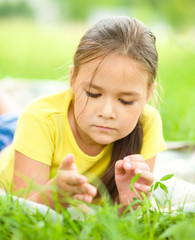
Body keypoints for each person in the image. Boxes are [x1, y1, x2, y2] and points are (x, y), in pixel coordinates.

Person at [0, 16, 166, 211]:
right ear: (73, 79)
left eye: (125, 101)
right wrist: (53, 195)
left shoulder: (148, 123)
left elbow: (124, 222)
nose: (106, 113)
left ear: (148, 95)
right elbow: (22, 209)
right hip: (8, 143)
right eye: (93, 94)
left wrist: (130, 203)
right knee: (12, 119)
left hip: (32, 130)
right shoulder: (38, 118)